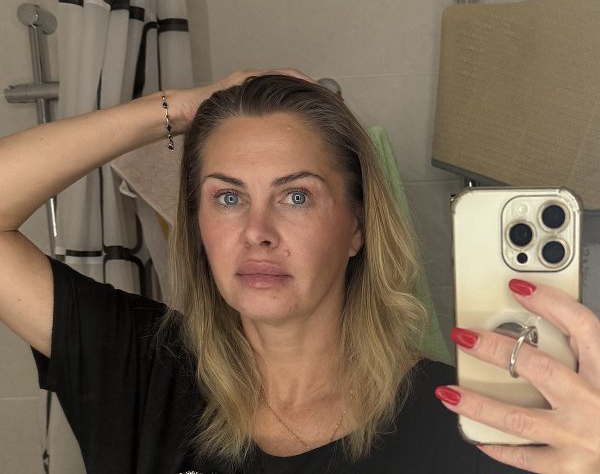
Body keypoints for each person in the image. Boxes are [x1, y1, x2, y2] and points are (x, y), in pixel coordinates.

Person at [0, 69, 598, 474]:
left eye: (296, 196)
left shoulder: (472, 421)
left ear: (357, 226)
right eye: (228, 197)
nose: (256, 231)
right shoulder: (143, 368)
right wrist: (177, 108)